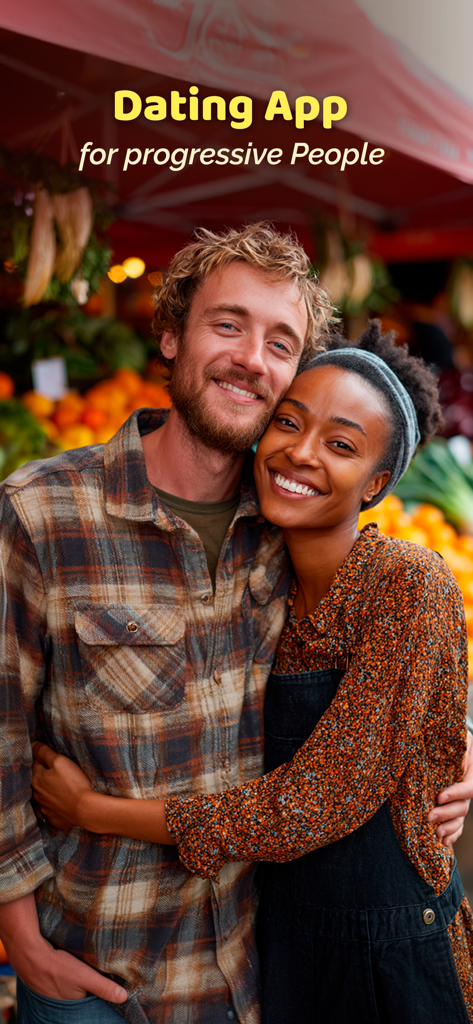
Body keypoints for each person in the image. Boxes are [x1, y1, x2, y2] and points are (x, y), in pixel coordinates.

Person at [0, 223, 470, 1024]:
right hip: (98, 971)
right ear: (171, 333)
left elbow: (387, 678)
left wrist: (447, 751)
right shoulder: (42, 511)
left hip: (260, 971)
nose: (252, 358)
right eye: (228, 325)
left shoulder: (296, 525)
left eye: (280, 343)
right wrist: (22, 941)